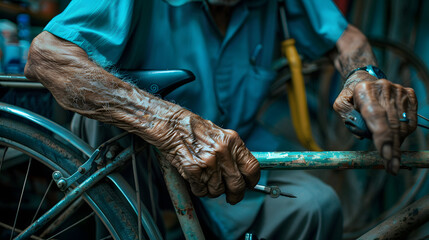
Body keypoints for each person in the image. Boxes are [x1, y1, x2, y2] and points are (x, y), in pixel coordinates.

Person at [24, 0, 417, 239]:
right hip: (138, 158)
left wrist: (363, 75)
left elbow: (344, 38)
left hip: (235, 160)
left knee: (316, 206)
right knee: (105, 126)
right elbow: (47, 54)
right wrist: (171, 124)